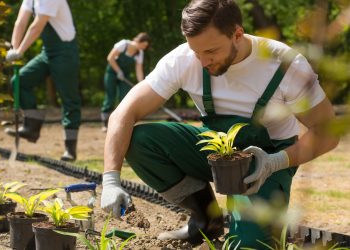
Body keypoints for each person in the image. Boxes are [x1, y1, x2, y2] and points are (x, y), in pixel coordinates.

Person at [100, 0, 339, 248]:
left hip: (267, 160)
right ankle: (207, 218)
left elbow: (328, 132)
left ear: (237, 34)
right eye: (196, 52)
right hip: (216, 151)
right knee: (141, 141)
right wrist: (110, 180)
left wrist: (274, 162)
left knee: (247, 244)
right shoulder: (184, 59)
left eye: (211, 51)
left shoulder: (285, 65)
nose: (202, 61)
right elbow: (123, 113)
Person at [5, 0, 81, 161]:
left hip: (65, 52)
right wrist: (13, 48)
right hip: (47, 52)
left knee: (69, 100)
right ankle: (31, 127)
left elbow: (36, 27)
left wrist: (20, 51)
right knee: (19, 81)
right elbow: (20, 22)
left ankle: (70, 149)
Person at [100, 33, 151, 132]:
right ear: (139, 41)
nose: (144, 48)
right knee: (110, 97)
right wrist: (118, 71)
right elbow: (110, 58)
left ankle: (120, 123)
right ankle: (105, 124)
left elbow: (139, 70)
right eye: (144, 45)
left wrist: (141, 84)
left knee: (124, 98)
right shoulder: (123, 44)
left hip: (124, 77)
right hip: (112, 73)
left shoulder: (139, 53)